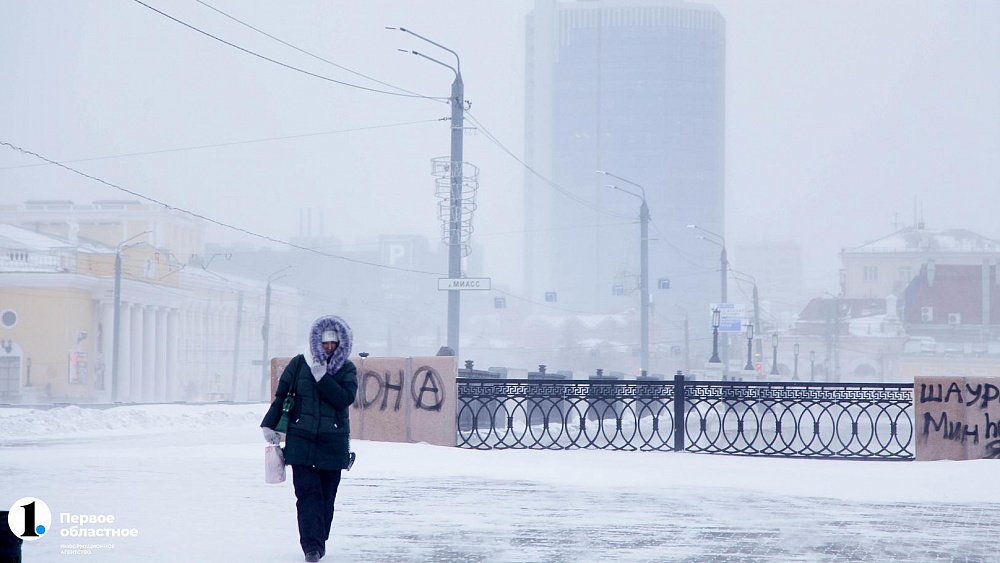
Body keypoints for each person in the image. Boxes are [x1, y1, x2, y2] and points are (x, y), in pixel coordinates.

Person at [261, 315, 358, 562]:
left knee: (326, 498)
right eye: (325, 342)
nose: (329, 347)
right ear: (316, 342)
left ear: (341, 343)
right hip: (301, 440)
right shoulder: (298, 364)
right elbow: (282, 396)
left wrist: (323, 378)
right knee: (307, 496)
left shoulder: (346, 368)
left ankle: (318, 539)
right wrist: (269, 424)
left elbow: (344, 399)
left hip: (333, 441)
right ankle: (311, 547)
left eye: (333, 343)